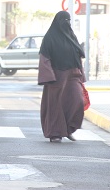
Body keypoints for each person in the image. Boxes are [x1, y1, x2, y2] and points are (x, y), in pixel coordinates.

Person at [38, 10, 86, 143]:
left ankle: (68, 129)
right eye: (64, 20)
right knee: (56, 105)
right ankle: (55, 133)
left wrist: (82, 75)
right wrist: (49, 76)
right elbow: (44, 58)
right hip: (56, 76)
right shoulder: (49, 37)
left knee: (77, 101)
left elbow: (78, 55)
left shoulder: (71, 36)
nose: (67, 23)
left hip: (73, 75)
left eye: (68, 20)